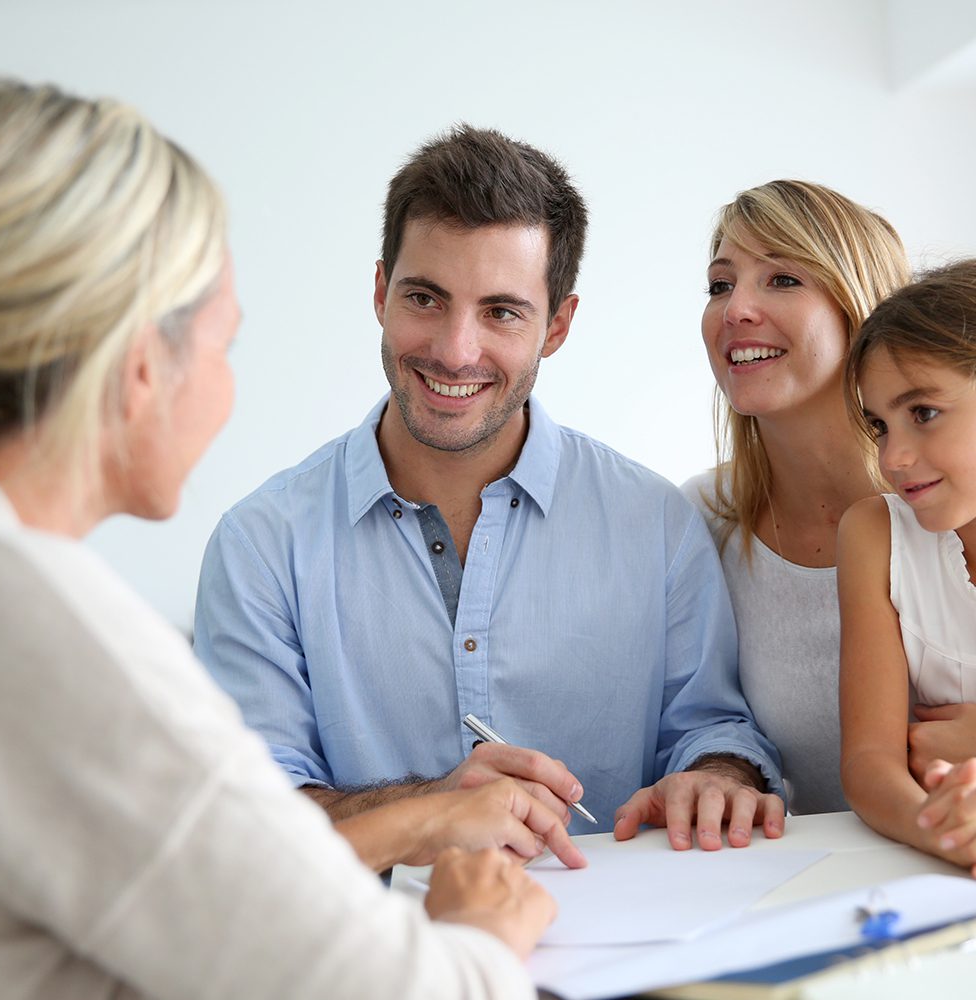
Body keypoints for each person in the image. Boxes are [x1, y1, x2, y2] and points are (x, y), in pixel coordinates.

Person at [0, 78, 583, 1000]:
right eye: (224, 344)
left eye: (501, 310)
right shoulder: (36, 626)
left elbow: (201, 865)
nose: (458, 349)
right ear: (141, 367)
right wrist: (483, 937)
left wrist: (420, 818)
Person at [194, 123, 786, 849]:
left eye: (501, 311)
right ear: (381, 292)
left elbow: (710, 730)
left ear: (558, 325)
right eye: (425, 299)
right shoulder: (260, 544)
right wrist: (429, 809)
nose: (455, 350)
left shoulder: (656, 522)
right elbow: (249, 811)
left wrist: (718, 777)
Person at [681, 180, 911, 814]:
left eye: (782, 279)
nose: (735, 310)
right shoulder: (699, 521)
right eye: (720, 284)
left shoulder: (949, 506)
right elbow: (694, 727)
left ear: (860, 308)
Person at [840, 259, 976, 872]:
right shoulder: (874, 534)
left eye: (922, 412)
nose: (893, 458)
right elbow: (870, 763)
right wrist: (945, 834)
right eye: (879, 424)